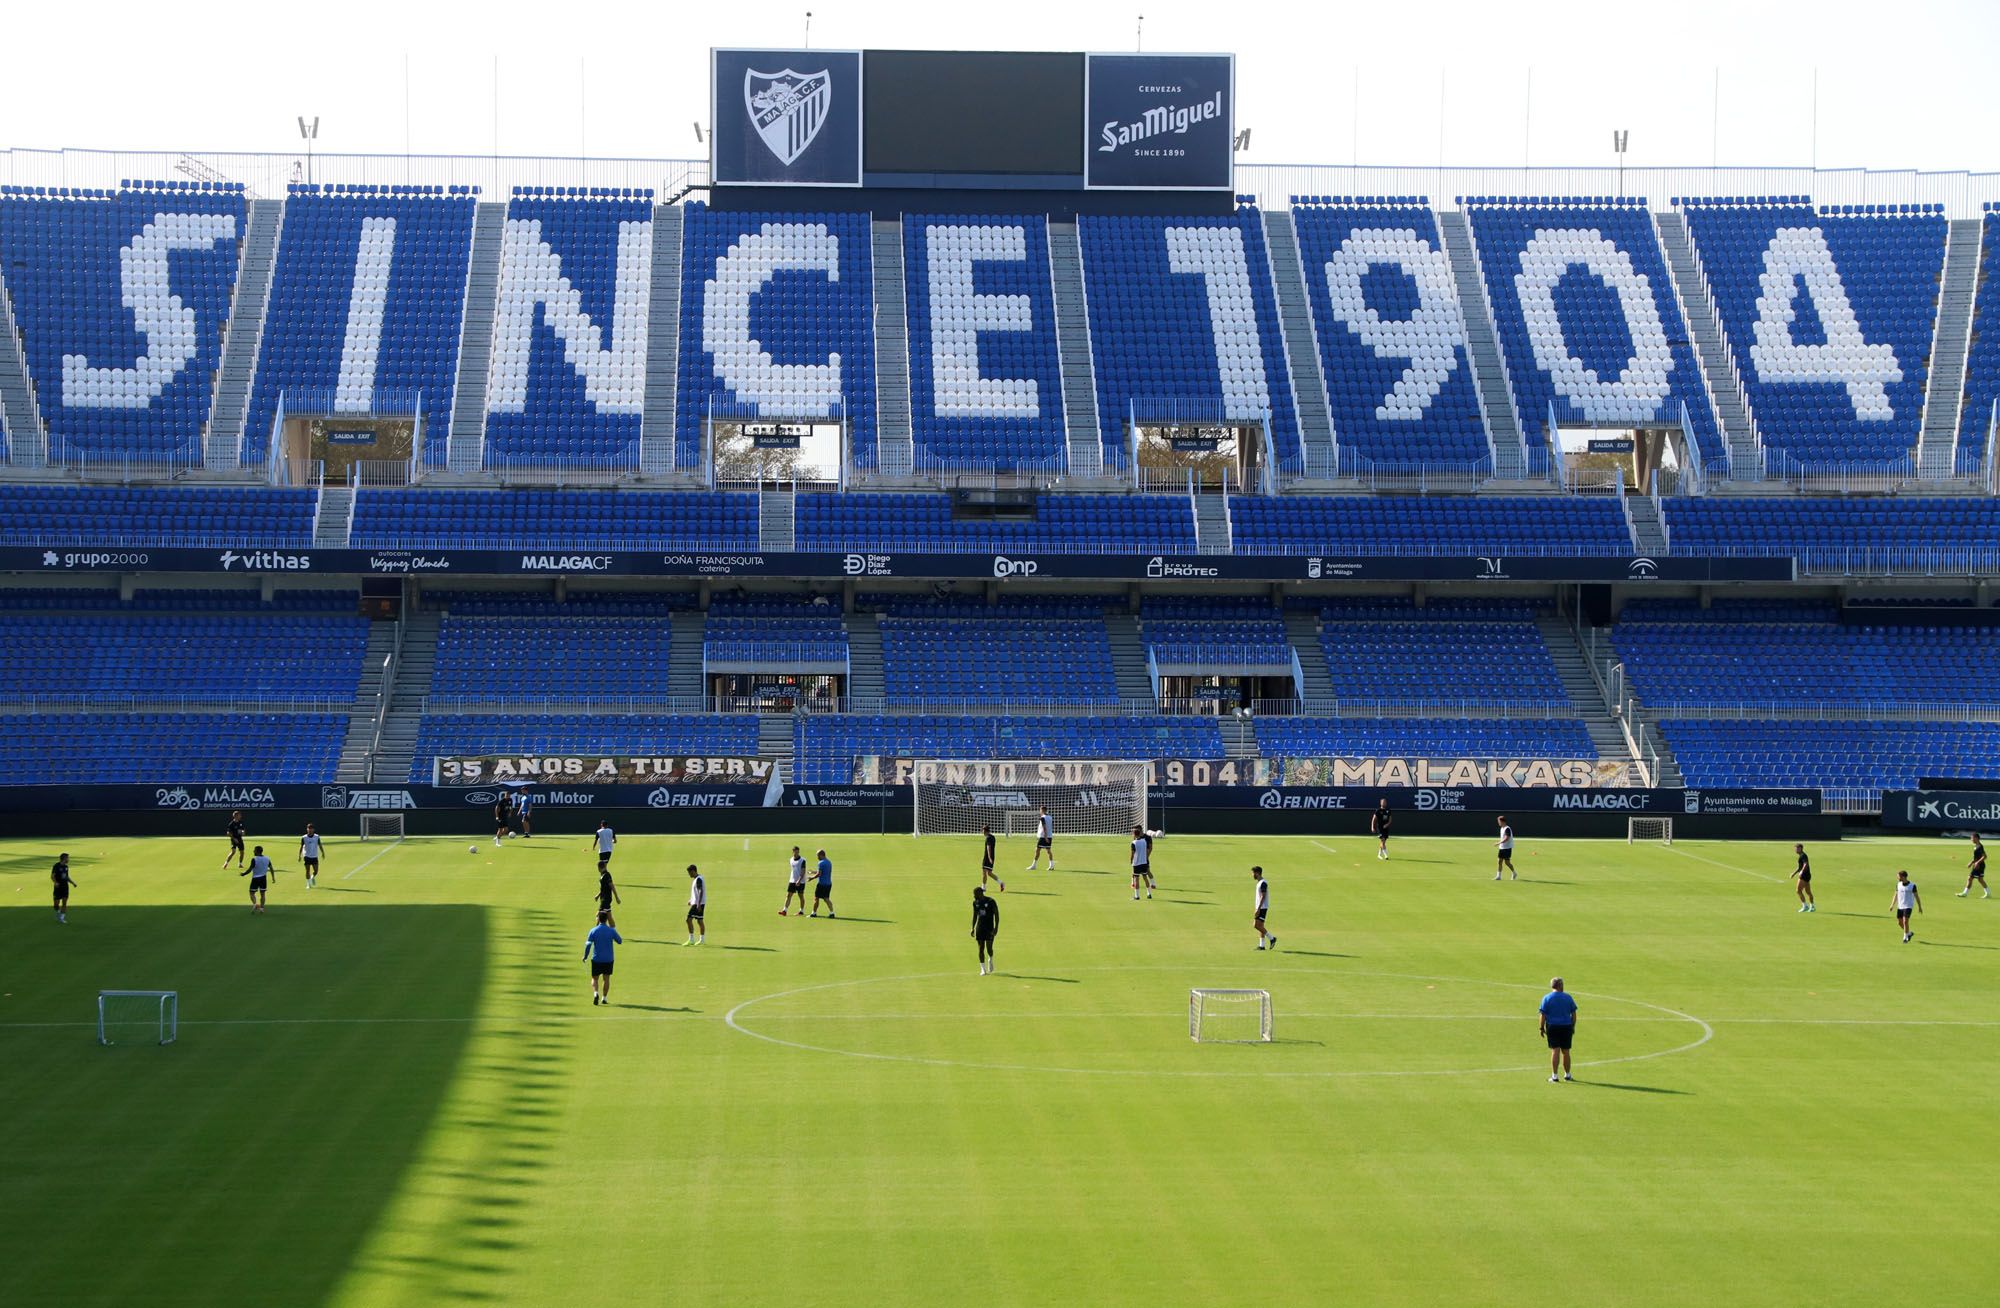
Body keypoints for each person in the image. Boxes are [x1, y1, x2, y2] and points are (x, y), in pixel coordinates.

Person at [1539, 977, 1578, 1082]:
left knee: (1555, 1050)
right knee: (1566, 1051)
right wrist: (1572, 1026)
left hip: (1553, 1026)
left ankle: (1555, 1076)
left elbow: (1543, 1015)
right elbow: (1574, 1014)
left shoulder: (1547, 998)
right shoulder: (1568, 997)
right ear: (1560, 986)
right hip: (1566, 1026)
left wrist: (1541, 1028)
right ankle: (1567, 1074)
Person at [584, 909, 622, 1005]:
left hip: (596, 959)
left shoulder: (593, 931)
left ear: (598, 919)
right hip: (608, 959)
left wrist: (585, 956)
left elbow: (588, 945)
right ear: (606, 919)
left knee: (594, 978)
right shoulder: (611, 931)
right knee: (606, 979)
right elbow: (620, 941)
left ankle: (596, 993)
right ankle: (604, 998)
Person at [971, 885, 1000, 975]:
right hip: (980, 927)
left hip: (989, 927)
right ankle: (983, 969)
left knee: (989, 948)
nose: (974, 896)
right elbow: (975, 915)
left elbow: (997, 915)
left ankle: (990, 959)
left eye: (975, 894)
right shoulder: (975, 902)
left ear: (980, 893)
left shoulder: (991, 901)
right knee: (980, 948)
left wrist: (996, 927)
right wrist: (972, 928)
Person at [240, 844, 273, 914]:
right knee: (263, 894)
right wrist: (273, 878)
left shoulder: (254, 859)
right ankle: (262, 908)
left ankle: (255, 904)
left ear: (257, 851)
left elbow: (250, 869)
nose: (253, 851)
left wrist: (243, 874)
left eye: (254, 850)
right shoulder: (267, 858)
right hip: (263, 878)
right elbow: (271, 868)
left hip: (255, 878)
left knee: (251, 893)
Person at [1894, 869, 1923, 943]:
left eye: (1898, 876)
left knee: (1905, 921)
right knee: (1900, 922)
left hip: (1908, 906)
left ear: (1903, 877)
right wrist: (1892, 905)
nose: (1897, 878)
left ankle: (1905, 938)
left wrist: (1919, 906)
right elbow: (1896, 895)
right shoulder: (1898, 884)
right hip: (1900, 906)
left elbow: (1917, 896)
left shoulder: (1912, 886)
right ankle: (1909, 933)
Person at [1252, 865, 1275, 950]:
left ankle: (1272, 938)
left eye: (1253, 873)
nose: (1252, 875)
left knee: (1256, 925)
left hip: (1262, 908)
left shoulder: (1263, 883)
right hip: (1260, 907)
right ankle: (1262, 946)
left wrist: (1258, 908)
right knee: (1261, 926)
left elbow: (1263, 896)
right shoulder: (1259, 883)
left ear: (1257, 873)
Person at [1959, 833, 1989, 898]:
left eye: (1972, 838)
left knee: (1970, 878)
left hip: (1979, 866)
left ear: (1976, 838)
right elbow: (1976, 857)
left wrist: (1977, 863)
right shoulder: (1976, 846)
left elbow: (1985, 856)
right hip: (1978, 865)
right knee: (1979, 879)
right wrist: (1971, 862)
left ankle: (1965, 893)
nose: (1971, 839)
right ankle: (1988, 893)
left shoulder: (1980, 847)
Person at [1026, 807, 1055, 871]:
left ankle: (1034, 865)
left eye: (1040, 810)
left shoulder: (1042, 818)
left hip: (1043, 837)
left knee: (1037, 850)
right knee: (1048, 851)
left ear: (1042, 810)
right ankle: (1051, 865)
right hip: (1049, 836)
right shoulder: (1050, 817)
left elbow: (1044, 827)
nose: (1040, 811)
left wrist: (1045, 836)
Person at [783, 844, 809, 915]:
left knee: (801, 896)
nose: (796, 853)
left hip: (801, 881)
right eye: (795, 852)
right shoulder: (791, 859)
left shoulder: (802, 860)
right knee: (788, 895)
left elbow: (803, 871)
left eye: (797, 852)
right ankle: (784, 910)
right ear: (793, 851)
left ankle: (801, 911)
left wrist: (799, 880)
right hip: (792, 880)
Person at [1130, 825, 1154, 901]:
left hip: (1137, 863)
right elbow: (1147, 849)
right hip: (1144, 862)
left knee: (1136, 879)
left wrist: (1131, 861)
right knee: (1145, 878)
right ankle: (1149, 894)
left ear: (1134, 834)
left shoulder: (1133, 843)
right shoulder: (1144, 841)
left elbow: (1132, 854)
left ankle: (1137, 896)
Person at [685, 864, 706, 945]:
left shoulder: (698, 880)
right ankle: (702, 940)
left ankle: (691, 939)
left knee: (688, 919)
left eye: (689, 872)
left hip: (698, 904)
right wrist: (691, 900)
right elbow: (697, 892)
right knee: (700, 920)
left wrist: (698, 904)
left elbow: (701, 891)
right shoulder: (698, 878)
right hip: (698, 903)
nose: (689, 874)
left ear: (693, 871)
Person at [51, 852, 76, 924]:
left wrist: (73, 883)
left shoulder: (66, 867)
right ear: (64, 858)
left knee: (64, 902)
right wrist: (55, 882)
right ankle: (58, 912)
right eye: (68, 858)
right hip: (58, 887)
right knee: (56, 904)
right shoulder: (56, 866)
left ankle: (62, 918)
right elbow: (52, 876)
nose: (68, 859)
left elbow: (66, 877)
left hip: (65, 887)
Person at [979, 825, 1004, 893]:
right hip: (992, 857)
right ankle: (1001, 882)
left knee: (984, 873)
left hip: (987, 858)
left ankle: (983, 887)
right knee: (989, 873)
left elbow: (988, 848)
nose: (982, 832)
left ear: (986, 831)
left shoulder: (988, 838)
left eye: (983, 831)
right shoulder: (993, 837)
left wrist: (989, 858)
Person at [811, 848, 835, 918]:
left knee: (816, 898)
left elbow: (819, 874)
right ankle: (832, 913)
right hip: (828, 883)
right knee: (826, 898)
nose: (817, 857)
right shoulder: (829, 862)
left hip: (821, 884)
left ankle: (813, 913)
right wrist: (813, 872)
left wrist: (811, 878)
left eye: (818, 856)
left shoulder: (821, 863)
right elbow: (823, 872)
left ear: (821, 855)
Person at [299, 823, 323, 890]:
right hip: (307, 856)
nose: (309, 830)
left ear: (313, 829)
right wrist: (299, 855)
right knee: (307, 870)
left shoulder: (317, 837)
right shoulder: (304, 837)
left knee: (316, 871)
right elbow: (301, 847)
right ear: (307, 829)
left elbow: (320, 845)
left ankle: (312, 877)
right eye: (308, 828)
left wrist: (322, 852)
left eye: (311, 828)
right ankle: (308, 884)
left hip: (314, 856)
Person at [1792, 843, 1815, 912]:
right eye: (1795, 848)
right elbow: (1800, 867)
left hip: (1804, 875)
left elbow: (1805, 864)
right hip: (1806, 875)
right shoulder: (1801, 856)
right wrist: (1794, 873)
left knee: (1798, 890)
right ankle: (1812, 906)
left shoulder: (1803, 856)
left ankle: (1805, 906)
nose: (1796, 850)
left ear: (1801, 849)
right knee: (1808, 892)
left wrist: (1801, 872)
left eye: (1797, 848)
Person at [1495, 816, 1516, 881]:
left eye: (1499, 821)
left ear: (1502, 821)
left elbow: (1507, 838)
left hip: (1507, 848)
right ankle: (1498, 876)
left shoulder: (1507, 828)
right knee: (1499, 861)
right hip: (1502, 847)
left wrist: (1498, 843)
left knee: (1507, 862)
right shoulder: (1501, 828)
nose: (1498, 823)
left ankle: (1514, 873)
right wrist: (1500, 844)